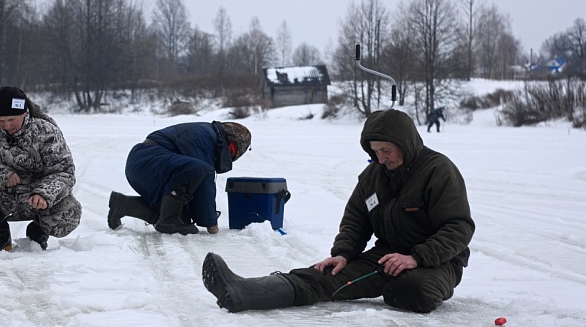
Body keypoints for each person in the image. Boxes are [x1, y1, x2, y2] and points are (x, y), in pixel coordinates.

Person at [202, 109, 474, 314]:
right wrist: (343, 253)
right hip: (388, 254)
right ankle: (245, 291)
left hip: (437, 260)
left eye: (386, 150)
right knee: (327, 278)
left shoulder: (438, 171)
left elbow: (458, 227)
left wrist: (416, 257)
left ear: (405, 144)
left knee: (413, 291)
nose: (381, 158)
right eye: (375, 151)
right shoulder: (373, 175)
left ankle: (405, 283)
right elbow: (357, 218)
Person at [0, 86, 82, 251]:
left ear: (24, 113)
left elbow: (64, 172)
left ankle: (37, 235)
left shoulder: (45, 130)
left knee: (69, 211)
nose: (7, 126)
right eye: (1, 121)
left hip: (33, 197)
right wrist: (1, 173)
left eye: (12, 120)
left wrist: (43, 194)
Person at [108, 121, 251, 235]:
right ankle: (168, 220)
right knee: (200, 170)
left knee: (179, 218)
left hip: (144, 165)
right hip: (148, 163)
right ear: (230, 142)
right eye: (232, 152)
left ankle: (123, 204)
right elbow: (204, 178)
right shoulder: (205, 137)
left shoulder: (208, 133)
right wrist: (210, 222)